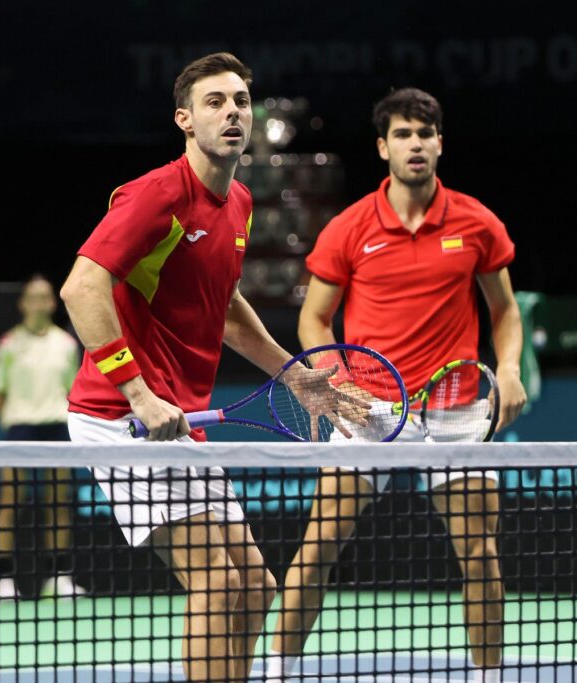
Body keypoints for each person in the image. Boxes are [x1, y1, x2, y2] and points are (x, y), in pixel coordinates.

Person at [60, 52, 363, 683]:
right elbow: (81, 287)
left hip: (181, 419)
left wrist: (295, 375)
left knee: (254, 585)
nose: (232, 113)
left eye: (241, 102)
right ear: (185, 120)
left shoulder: (240, 202)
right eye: (215, 102)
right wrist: (137, 393)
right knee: (217, 582)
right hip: (122, 417)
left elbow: (224, 308)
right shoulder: (158, 195)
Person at [265, 88, 527, 683]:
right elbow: (314, 319)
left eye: (424, 134)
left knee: (480, 553)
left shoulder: (477, 222)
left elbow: (505, 311)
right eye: (403, 135)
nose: (415, 144)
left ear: (440, 144)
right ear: (383, 147)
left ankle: (489, 677)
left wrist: (509, 369)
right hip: (370, 409)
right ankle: (279, 670)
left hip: (456, 408)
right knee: (319, 545)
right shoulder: (350, 227)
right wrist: (334, 382)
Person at [0, 274, 83, 599]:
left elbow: (72, 390)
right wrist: (12, 421)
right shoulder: (5, 346)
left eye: (44, 297)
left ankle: (59, 576)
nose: (39, 303)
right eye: (33, 297)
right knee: (10, 502)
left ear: (53, 303)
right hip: (21, 428)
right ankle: (3, 579)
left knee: (58, 501)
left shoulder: (67, 345)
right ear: (23, 304)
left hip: (56, 426)